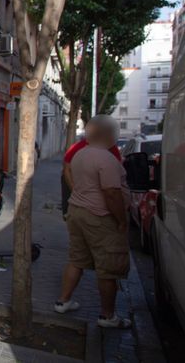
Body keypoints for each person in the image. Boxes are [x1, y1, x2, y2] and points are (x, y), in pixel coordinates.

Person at [54, 115, 132, 328]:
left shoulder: (81, 154)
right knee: (108, 268)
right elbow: (112, 193)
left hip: (77, 211)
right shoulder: (106, 158)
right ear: (109, 134)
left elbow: (69, 173)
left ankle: (63, 300)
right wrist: (122, 221)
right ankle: (108, 316)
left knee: (77, 259)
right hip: (99, 217)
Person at [61, 122, 122, 219]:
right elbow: (112, 191)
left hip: (78, 207)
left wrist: (75, 192)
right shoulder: (110, 149)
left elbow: (66, 169)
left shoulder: (77, 147)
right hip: (99, 211)